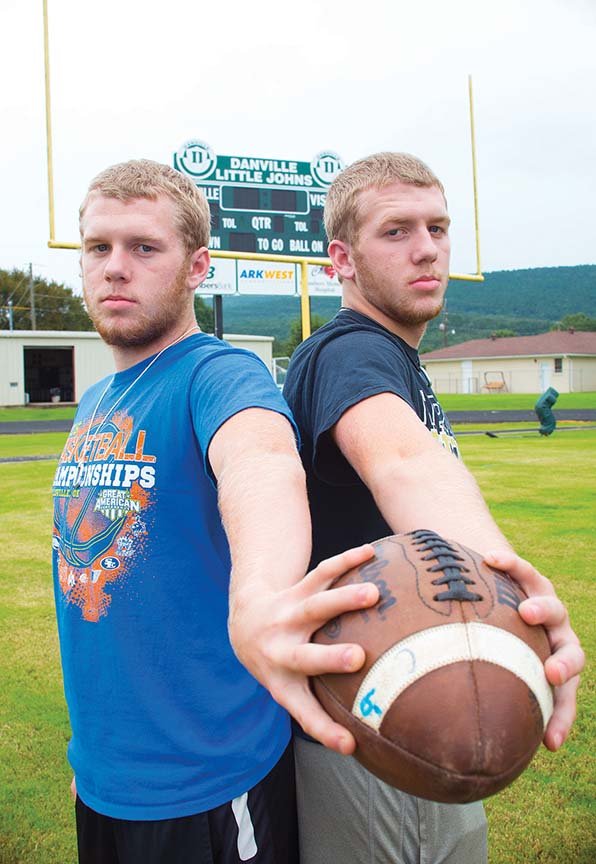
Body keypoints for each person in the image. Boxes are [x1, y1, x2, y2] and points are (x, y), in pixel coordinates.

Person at [51, 159, 382, 864]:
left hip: (209, 785)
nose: (115, 268)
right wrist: (94, 757)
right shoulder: (96, 401)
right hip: (107, 780)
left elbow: (259, 462)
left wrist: (262, 592)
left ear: (197, 265)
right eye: (98, 247)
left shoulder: (218, 372)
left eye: (144, 248)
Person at [283, 152, 584, 864]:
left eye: (438, 227)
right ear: (342, 260)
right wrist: (524, 599)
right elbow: (402, 461)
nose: (427, 248)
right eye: (395, 231)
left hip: (407, 695)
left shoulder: (393, 357)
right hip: (384, 717)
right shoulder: (351, 352)